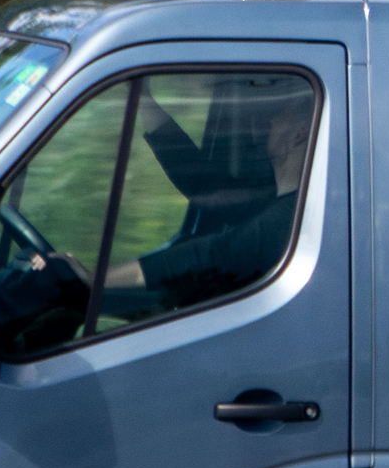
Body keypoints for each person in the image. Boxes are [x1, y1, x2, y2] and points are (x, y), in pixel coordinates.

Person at [101, 92, 309, 311]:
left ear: (299, 133)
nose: (271, 120)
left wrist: (97, 280)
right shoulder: (273, 201)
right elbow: (205, 186)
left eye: (283, 115)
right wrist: (143, 97)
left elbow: (212, 255)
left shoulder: (290, 219)